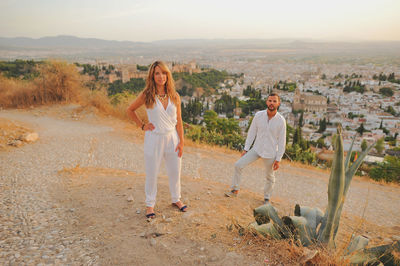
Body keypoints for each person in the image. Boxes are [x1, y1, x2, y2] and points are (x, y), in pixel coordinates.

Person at [127, 61, 187, 218]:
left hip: (172, 137)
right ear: (152, 76)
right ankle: (150, 205)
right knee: (152, 173)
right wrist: (142, 125)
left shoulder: (174, 96)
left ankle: (176, 199)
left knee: (175, 171)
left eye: (164, 73)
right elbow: (130, 110)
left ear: (168, 75)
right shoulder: (147, 95)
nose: (161, 77)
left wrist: (181, 141)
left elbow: (179, 120)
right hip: (154, 139)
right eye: (157, 73)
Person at [225, 93, 286, 204]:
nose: (271, 103)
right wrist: (246, 149)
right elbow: (251, 133)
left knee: (270, 176)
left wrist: (278, 159)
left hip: (270, 153)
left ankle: (267, 198)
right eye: (270, 100)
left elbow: (282, 141)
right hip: (256, 149)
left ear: (278, 103)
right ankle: (235, 190)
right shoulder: (259, 115)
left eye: (274, 101)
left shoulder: (281, 120)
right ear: (266, 102)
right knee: (238, 165)